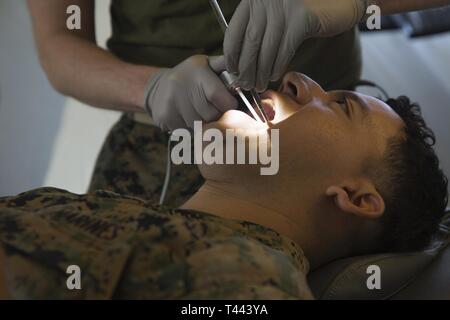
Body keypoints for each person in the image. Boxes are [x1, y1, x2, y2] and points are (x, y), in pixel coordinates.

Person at [0, 72, 447, 299]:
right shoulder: (120, 210)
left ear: (355, 198)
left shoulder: (252, 288)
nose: (294, 79)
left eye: (340, 105)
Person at [27, 0, 450, 207]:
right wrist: (153, 88)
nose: (295, 80)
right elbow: (59, 45)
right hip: (157, 136)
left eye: (344, 105)